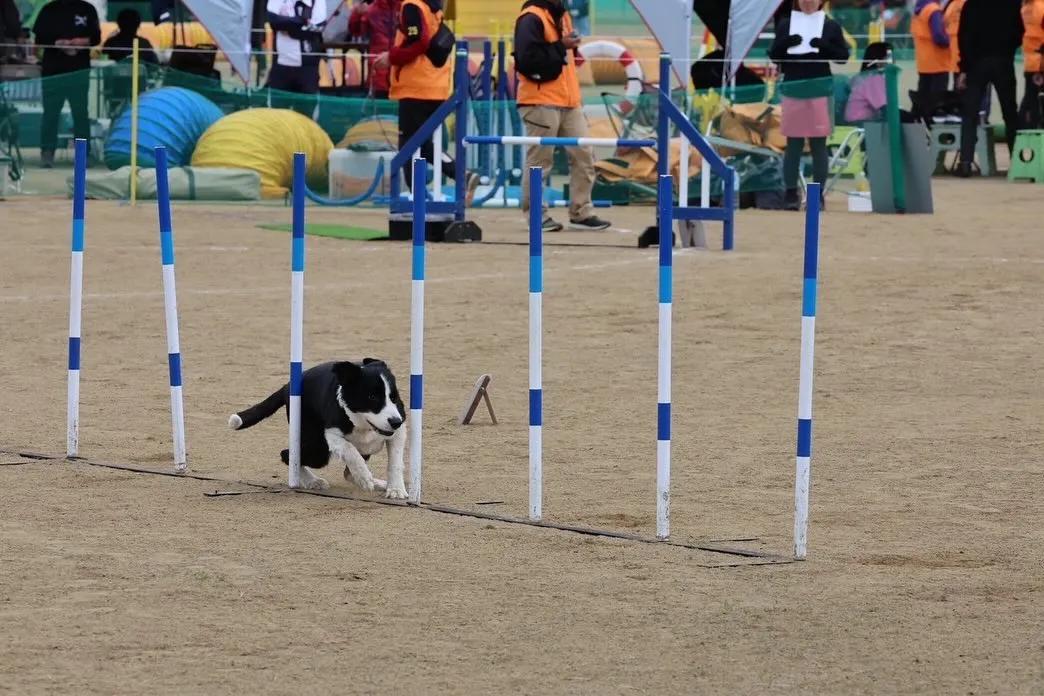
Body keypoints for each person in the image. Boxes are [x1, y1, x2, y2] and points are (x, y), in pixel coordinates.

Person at [514, 0, 610, 232]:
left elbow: (566, 60)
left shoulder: (562, 16)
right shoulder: (531, 18)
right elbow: (526, 59)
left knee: (584, 155)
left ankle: (581, 212)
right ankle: (537, 216)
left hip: (569, 100)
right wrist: (561, 45)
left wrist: (566, 46)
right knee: (540, 161)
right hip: (540, 100)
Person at [386, 0, 479, 200]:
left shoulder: (412, 6)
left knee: (412, 145)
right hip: (435, 85)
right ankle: (419, 196)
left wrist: (391, 57)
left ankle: (458, 174)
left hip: (416, 86)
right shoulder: (432, 7)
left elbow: (419, 42)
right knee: (416, 144)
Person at [768, 0, 849, 211]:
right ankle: (790, 194)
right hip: (794, 88)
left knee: (818, 145)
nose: (807, 2)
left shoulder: (830, 26)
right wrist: (785, 43)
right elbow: (774, 55)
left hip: (819, 89)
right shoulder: (786, 24)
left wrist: (825, 47)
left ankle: (817, 194)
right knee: (793, 144)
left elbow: (843, 57)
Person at [955, 0, 1022, 177]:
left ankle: (965, 163)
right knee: (1010, 112)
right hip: (1003, 62)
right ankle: (1017, 162)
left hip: (976, 64)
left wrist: (964, 68)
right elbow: (1019, 32)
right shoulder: (1011, 4)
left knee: (970, 114)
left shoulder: (972, 5)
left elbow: (964, 37)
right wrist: (1007, 51)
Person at [32, 0, 100, 168]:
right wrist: (58, 43)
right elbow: (39, 38)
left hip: (79, 70)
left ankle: (83, 153)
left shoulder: (87, 9)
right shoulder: (49, 9)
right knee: (50, 113)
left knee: (80, 114)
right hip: (53, 71)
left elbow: (96, 38)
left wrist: (82, 41)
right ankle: (47, 152)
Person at [266, 0, 327, 115]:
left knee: (306, 116)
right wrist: (301, 21)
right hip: (281, 66)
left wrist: (288, 28)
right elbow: (273, 20)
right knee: (277, 116)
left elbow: (316, 28)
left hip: (307, 69)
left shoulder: (317, 2)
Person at [349, 0, 399, 99]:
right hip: (379, 71)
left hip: (401, 72)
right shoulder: (371, 10)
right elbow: (356, 31)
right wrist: (357, 13)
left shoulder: (406, 7)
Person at [912, 0, 950, 94]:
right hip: (938, 64)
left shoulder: (918, 12)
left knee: (923, 100)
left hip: (924, 64)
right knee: (937, 102)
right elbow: (939, 37)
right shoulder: (934, 10)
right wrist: (952, 41)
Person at [1019, 0, 1044, 129]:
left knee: (1030, 103)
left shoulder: (1025, 8)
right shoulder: (1040, 7)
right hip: (1039, 65)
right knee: (1034, 105)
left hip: (1031, 64)